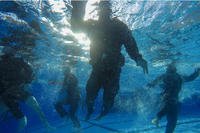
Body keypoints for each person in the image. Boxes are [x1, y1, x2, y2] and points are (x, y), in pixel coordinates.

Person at [71, 1, 148, 120]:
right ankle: (90, 110)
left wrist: (138, 58)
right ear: (98, 10)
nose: (104, 10)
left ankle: (104, 112)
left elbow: (130, 44)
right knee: (90, 93)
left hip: (113, 70)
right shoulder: (92, 25)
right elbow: (76, 28)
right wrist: (78, 5)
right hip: (97, 69)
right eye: (102, 7)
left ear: (110, 10)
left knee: (109, 96)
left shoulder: (119, 26)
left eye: (106, 7)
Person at [0, 47, 53, 132]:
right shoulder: (18, 61)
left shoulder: (7, 62)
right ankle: (47, 125)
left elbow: (30, 74)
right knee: (28, 114)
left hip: (8, 94)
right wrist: (26, 81)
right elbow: (30, 73)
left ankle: (47, 125)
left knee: (23, 118)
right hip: (13, 93)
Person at [147, 63, 200, 133]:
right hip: (173, 100)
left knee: (171, 120)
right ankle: (157, 118)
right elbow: (191, 78)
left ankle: (158, 117)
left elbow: (151, 84)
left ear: (167, 69)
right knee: (172, 121)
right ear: (175, 69)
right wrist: (197, 71)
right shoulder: (179, 76)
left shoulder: (163, 76)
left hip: (165, 99)